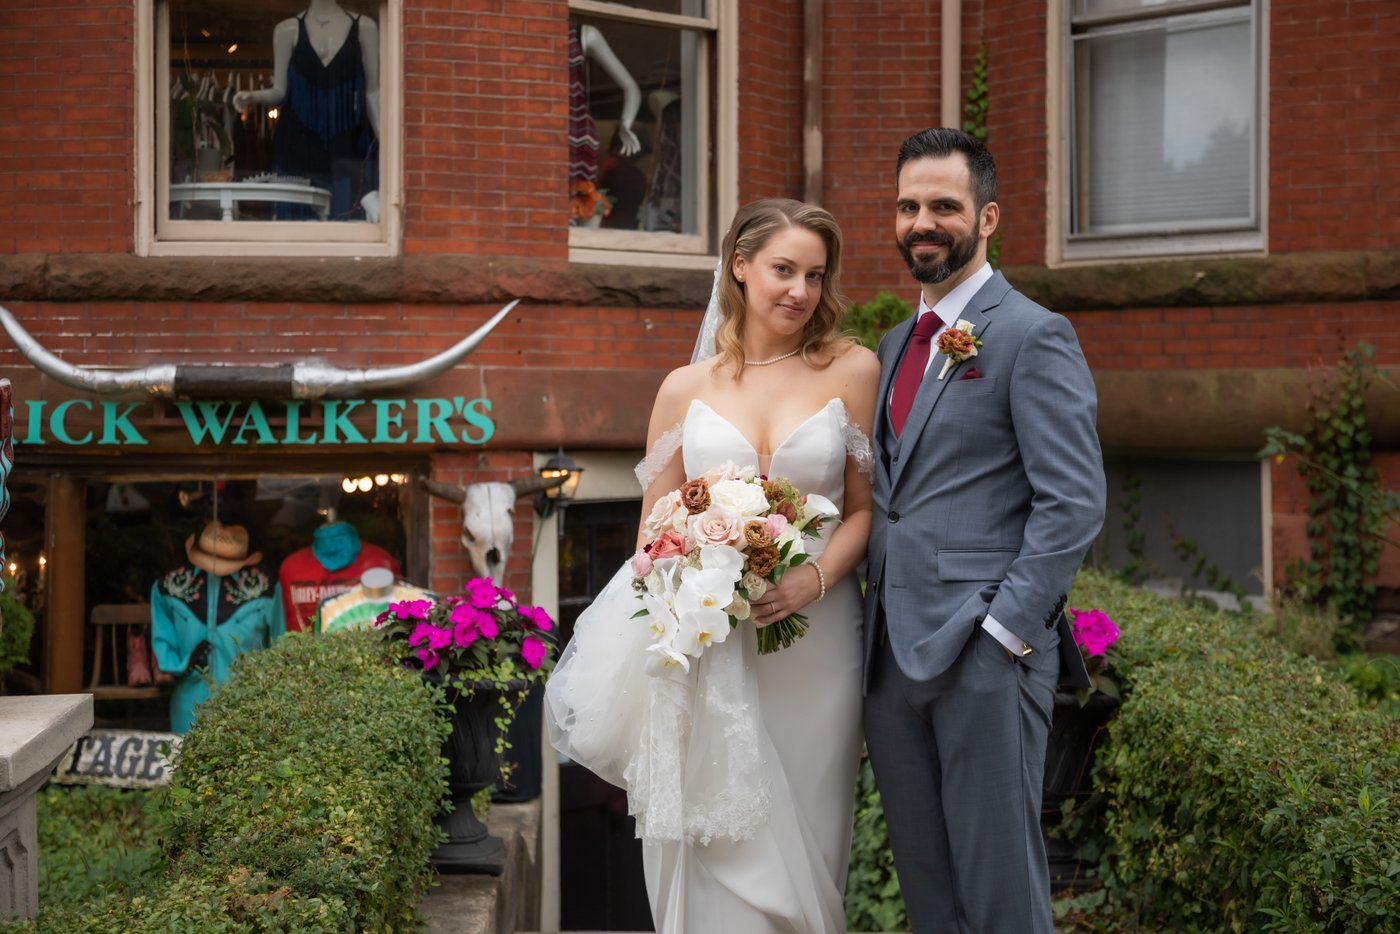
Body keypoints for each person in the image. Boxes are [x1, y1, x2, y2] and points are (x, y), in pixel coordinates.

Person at [546, 198, 879, 931]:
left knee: (811, 845)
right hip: (711, 642)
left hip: (817, 645)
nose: (800, 291)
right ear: (739, 266)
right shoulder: (683, 390)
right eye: (783, 270)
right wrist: (696, 579)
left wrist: (812, 579)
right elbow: (653, 532)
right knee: (717, 840)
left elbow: (863, 511)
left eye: (816, 276)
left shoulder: (854, 370)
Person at [862, 127, 1107, 933]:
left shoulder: (1034, 335)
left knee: (1002, 899)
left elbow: (1071, 501)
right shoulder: (897, 344)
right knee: (932, 899)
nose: (921, 223)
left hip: (983, 655)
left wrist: (1004, 631)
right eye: (908, 206)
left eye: (943, 205)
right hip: (891, 662)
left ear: (988, 216)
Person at [232, 1, 380, 221]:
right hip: (296, 148)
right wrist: (254, 97)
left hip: (345, 149)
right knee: (296, 231)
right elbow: (280, 91)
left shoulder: (365, 27)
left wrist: (385, 139)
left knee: (347, 228)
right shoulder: (286, 30)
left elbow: (373, 91)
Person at [151, 520, 285, 733]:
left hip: (248, 704)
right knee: (184, 760)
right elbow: (162, 639)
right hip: (189, 700)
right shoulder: (169, 587)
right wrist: (179, 665)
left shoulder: (266, 588)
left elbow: (280, 645)